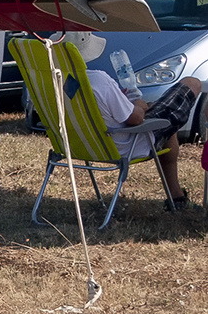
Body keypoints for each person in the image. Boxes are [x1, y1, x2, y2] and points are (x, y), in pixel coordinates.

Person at [57, 31, 201, 207]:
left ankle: (176, 196)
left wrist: (124, 101)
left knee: (167, 127)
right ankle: (176, 196)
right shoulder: (98, 80)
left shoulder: (55, 81)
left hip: (78, 145)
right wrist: (138, 105)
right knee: (192, 83)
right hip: (126, 143)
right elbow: (135, 119)